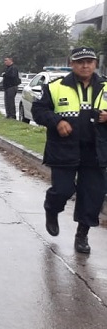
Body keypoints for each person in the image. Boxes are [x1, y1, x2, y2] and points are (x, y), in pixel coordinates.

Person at [32, 47, 107, 254]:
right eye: (80, 62)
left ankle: (82, 235)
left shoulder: (105, 86)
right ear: (71, 64)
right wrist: (57, 121)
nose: (85, 66)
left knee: (92, 195)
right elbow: (38, 111)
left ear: (95, 64)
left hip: (96, 151)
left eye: (89, 62)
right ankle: (52, 208)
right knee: (62, 190)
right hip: (64, 149)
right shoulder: (55, 87)